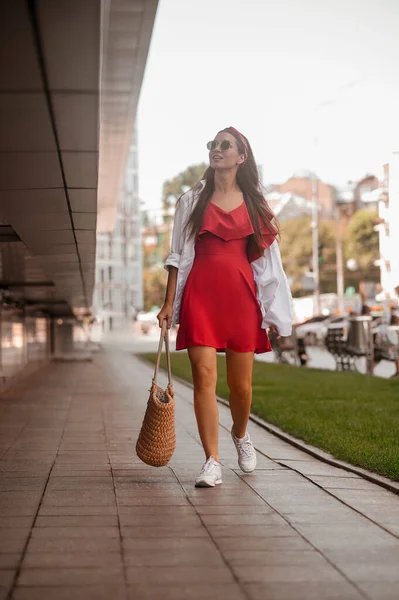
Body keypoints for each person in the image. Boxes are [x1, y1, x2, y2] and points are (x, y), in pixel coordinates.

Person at [157, 127, 293, 487]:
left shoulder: (255, 204)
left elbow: (269, 267)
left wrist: (276, 313)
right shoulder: (191, 200)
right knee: (203, 377)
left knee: (241, 387)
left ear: (241, 157)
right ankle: (211, 461)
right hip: (201, 295)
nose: (216, 150)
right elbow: (177, 256)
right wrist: (169, 303)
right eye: (212, 145)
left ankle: (240, 434)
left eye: (224, 145)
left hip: (241, 299)